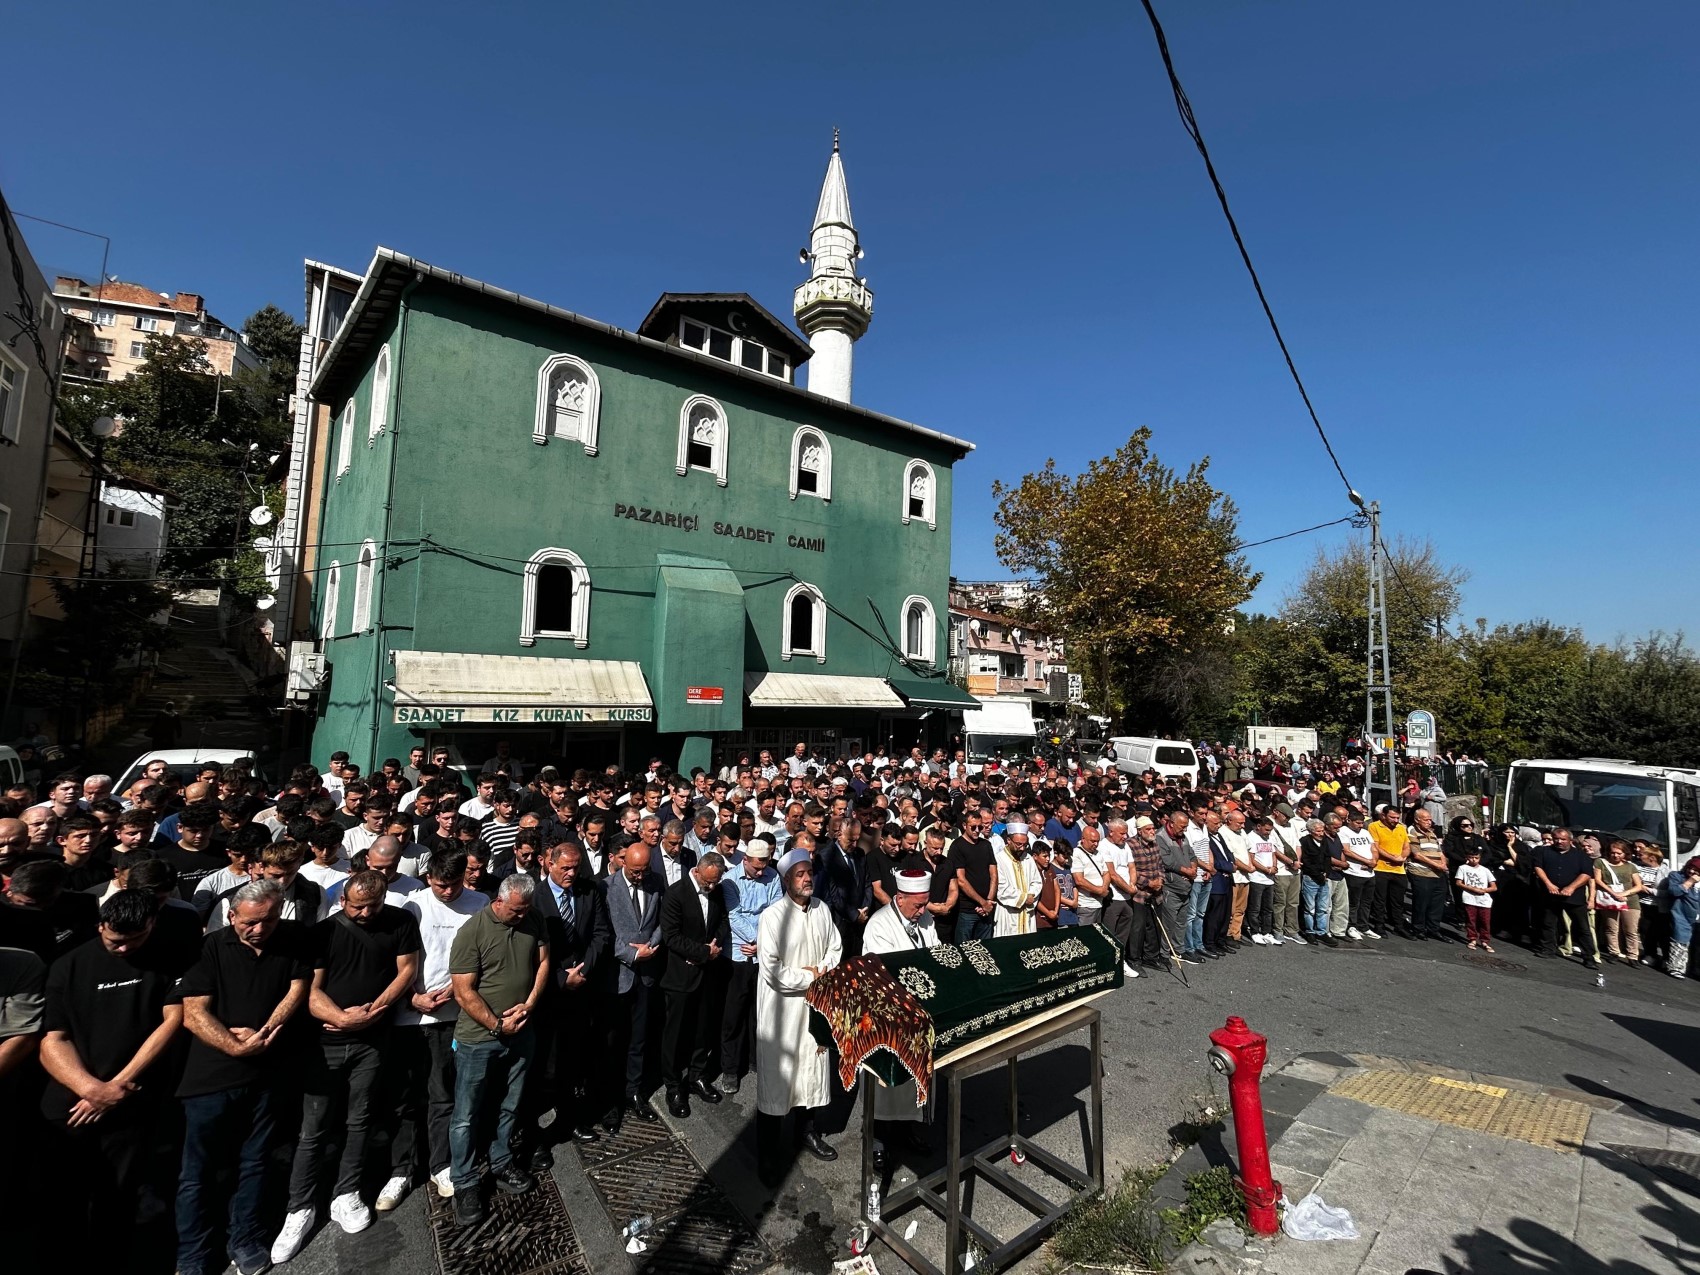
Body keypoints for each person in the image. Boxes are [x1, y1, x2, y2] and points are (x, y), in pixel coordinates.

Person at [39, 888, 192, 1270]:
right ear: (100, 925)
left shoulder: (169, 959)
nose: (123, 949)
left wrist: (117, 1086)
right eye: (114, 941)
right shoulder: (68, 965)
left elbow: (171, 1021)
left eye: (134, 940)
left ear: (151, 924)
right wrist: (91, 1089)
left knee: (120, 1199)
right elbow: (52, 1039)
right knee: (64, 1198)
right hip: (73, 1106)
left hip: (131, 1103)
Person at [272, 869, 422, 1259]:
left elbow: (406, 968)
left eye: (372, 906)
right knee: (314, 1127)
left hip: (372, 1039)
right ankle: (299, 1206)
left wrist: (376, 1009)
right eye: (356, 906)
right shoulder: (324, 933)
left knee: (361, 1118)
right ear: (343, 900)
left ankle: (347, 1191)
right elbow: (310, 988)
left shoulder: (401, 921)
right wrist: (342, 1018)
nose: (364, 913)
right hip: (327, 1042)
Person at [173, 879, 311, 1275]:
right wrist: (234, 1046)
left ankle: (245, 1238)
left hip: (266, 1072)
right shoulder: (210, 947)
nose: (259, 929)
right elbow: (193, 1011)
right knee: (197, 1173)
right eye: (250, 922)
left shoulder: (290, 940)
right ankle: (193, 1254)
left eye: (268, 920)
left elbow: (296, 988)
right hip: (211, 1078)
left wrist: (266, 1031)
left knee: (255, 1162)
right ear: (232, 915)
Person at [447, 873, 552, 1226]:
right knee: (467, 1113)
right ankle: (465, 1181)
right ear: (500, 902)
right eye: (516, 912)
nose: (523, 917)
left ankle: (502, 1159)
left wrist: (530, 1005)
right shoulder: (472, 933)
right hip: (480, 1039)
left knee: (510, 1102)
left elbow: (543, 963)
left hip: (522, 1032)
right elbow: (463, 991)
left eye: (526, 911)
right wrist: (496, 1024)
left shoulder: (533, 918)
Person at [395, 850, 486, 1202]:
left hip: (457, 1011)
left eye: (453, 885)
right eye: (439, 885)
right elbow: (401, 958)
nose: (447, 892)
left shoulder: (479, 903)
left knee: (443, 1093)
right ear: (427, 878)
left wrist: (458, 988)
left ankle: (441, 1163)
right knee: (408, 1095)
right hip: (415, 1011)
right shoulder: (412, 905)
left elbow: (483, 954)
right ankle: (402, 1167)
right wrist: (412, 997)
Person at [755, 848, 842, 1183]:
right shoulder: (772, 917)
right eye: (800, 874)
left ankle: (806, 1133)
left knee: (813, 1072)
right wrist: (811, 978)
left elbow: (835, 946)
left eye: (810, 873)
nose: (807, 879)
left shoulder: (822, 909)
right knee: (779, 1083)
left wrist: (824, 972)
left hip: (815, 1006)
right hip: (783, 1012)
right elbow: (773, 970)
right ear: (786, 880)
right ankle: (768, 1155)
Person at [531, 841, 612, 1152]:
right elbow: (527, 952)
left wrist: (582, 970)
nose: (571, 873)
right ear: (548, 864)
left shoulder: (588, 891)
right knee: (543, 1067)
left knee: (573, 1060)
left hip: (580, 990)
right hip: (547, 994)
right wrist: (561, 978)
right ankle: (535, 1135)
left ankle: (569, 1119)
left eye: (575, 867)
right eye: (564, 867)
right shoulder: (535, 898)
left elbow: (600, 933)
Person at [860, 867, 937, 1162]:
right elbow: (882, 972)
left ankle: (908, 1128)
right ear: (900, 898)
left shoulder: (925, 918)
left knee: (915, 1080)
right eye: (917, 905)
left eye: (925, 904)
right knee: (886, 1085)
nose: (922, 911)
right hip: (889, 1019)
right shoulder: (879, 925)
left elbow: (934, 950)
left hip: (920, 1014)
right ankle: (876, 1136)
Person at [658, 849, 730, 1117]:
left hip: (707, 974)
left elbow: (723, 922)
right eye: (707, 882)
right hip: (681, 976)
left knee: (703, 1028)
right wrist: (702, 952)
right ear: (697, 871)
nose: (711, 886)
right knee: (675, 1034)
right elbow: (671, 936)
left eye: (715, 882)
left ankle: (698, 1075)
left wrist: (715, 945)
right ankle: (674, 1085)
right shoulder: (676, 894)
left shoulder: (717, 891)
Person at [606, 841, 666, 1123]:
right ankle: (611, 1098)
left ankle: (634, 1091)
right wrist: (631, 953)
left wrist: (650, 947)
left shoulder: (655, 884)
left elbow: (660, 921)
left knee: (639, 1039)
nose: (640, 876)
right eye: (635, 871)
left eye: (644, 871)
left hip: (646, 974)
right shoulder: (606, 888)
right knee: (614, 1040)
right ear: (622, 863)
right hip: (619, 975)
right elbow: (604, 932)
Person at [720, 839, 779, 1094]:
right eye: (756, 867)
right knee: (734, 1015)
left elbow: (777, 910)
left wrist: (763, 942)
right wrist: (757, 939)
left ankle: (757, 1059)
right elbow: (734, 916)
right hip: (739, 953)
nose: (761, 872)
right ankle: (731, 1069)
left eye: (764, 865)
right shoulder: (730, 881)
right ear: (746, 861)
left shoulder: (773, 877)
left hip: (762, 952)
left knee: (761, 1011)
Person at [1533, 828, 1600, 969]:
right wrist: (1549, 884)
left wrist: (1571, 887)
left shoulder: (1581, 856)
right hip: (1550, 894)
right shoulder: (1543, 851)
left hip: (1574, 897)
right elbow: (1538, 867)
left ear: (1570, 840)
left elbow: (1587, 874)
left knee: (1582, 927)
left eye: (1563, 839)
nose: (1559, 842)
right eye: (1556, 838)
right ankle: (1548, 949)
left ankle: (1589, 957)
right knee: (1548, 923)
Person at [948, 809, 998, 942]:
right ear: (964, 826)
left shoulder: (986, 845)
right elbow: (961, 880)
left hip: (987, 909)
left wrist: (988, 902)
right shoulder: (957, 846)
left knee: (985, 949)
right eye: (973, 827)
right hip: (967, 910)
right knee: (965, 950)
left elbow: (993, 874)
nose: (977, 830)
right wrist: (983, 903)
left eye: (980, 827)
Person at [1594, 840, 1643, 964]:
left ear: (1625, 853)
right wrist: (1614, 893)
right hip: (1609, 898)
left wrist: (1624, 894)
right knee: (1611, 927)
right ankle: (1613, 952)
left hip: (1629, 900)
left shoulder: (1630, 866)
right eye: (1612, 853)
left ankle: (1633, 955)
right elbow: (1598, 880)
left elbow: (1638, 886)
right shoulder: (1601, 862)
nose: (1615, 856)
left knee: (1631, 930)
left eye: (1619, 853)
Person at [1368, 804, 1412, 938]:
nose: (1395, 820)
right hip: (1381, 868)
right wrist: (1392, 857)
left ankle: (1398, 926)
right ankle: (1379, 925)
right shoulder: (1374, 826)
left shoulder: (1401, 828)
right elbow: (1375, 847)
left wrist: (1402, 857)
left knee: (1398, 901)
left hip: (1399, 870)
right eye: (1392, 817)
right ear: (1383, 816)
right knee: (1380, 900)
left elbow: (1407, 846)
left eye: (1397, 817)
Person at [1405, 810, 1450, 941]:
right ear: (1417, 819)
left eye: (1430, 819)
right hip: (1421, 872)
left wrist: (1443, 863)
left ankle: (1433, 929)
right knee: (1421, 902)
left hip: (1438, 873)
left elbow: (1439, 851)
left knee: (1437, 903)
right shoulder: (1412, 832)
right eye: (1426, 819)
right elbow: (1417, 854)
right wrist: (1436, 865)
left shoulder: (1432, 833)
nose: (1429, 822)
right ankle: (1418, 929)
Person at [991, 822, 1041, 938]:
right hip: (1008, 913)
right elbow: (1001, 887)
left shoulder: (1028, 858)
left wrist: (1031, 895)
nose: (1022, 848)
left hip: (1027, 913)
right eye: (1018, 844)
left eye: (1025, 844)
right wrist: (1023, 898)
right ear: (1009, 840)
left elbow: (1036, 881)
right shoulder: (999, 859)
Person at [1662, 859, 1700, 979]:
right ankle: (1676, 968)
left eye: (1696, 869)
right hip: (1681, 914)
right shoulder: (1677, 876)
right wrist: (1690, 882)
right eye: (1690, 867)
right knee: (1679, 940)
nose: (1692, 871)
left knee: (1696, 946)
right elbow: (1674, 891)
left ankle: (1693, 969)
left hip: (1697, 917)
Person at [1455, 845, 1497, 951]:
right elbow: (1458, 882)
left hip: (1484, 899)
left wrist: (1483, 890)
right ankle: (1472, 938)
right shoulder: (1463, 868)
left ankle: (1485, 941)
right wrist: (1471, 888)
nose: (1474, 860)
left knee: (1485, 921)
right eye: (1471, 857)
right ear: (1467, 857)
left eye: (1476, 858)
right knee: (1471, 919)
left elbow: (1494, 887)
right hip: (1469, 898)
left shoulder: (1485, 870)